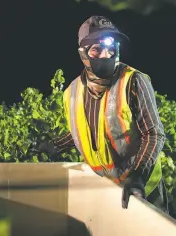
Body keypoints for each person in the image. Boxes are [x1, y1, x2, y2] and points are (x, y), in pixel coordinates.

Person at [37, 16, 168, 212]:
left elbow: (153, 133)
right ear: (84, 53)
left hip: (141, 188)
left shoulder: (133, 81)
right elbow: (85, 128)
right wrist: (53, 146)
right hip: (104, 187)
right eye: (96, 50)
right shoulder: (72, 92)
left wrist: (138, 175)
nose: (105, 55)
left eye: (111, 48)